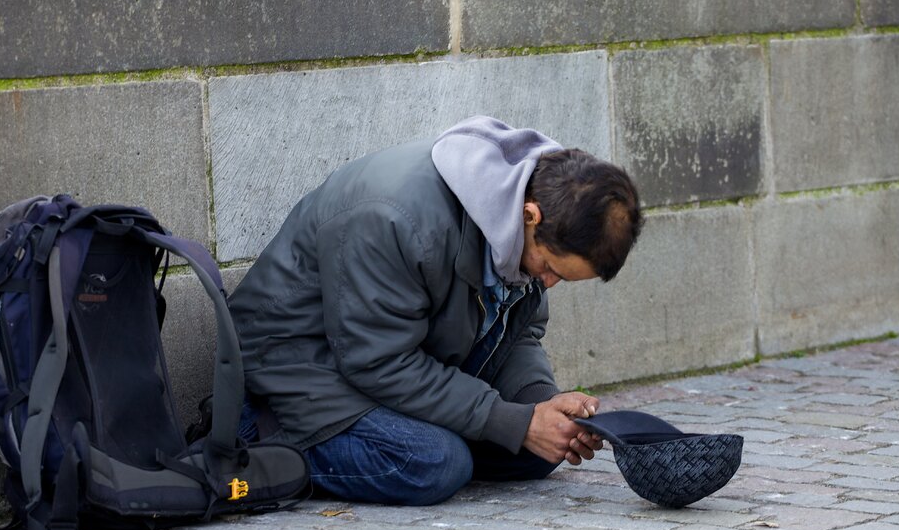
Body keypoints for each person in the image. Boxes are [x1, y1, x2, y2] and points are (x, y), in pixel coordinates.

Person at [227, 116, 643, 505]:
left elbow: (518, 336)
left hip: (381, 364)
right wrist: (512, 421)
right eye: (551, 268)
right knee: (434, 462)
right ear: (531, 216)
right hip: (295, 369)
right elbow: (378, 361)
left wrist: (540, 406)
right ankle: (264, 442)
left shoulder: (527, 215)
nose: (547, 283)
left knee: (537, 452)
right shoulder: (395, 217)